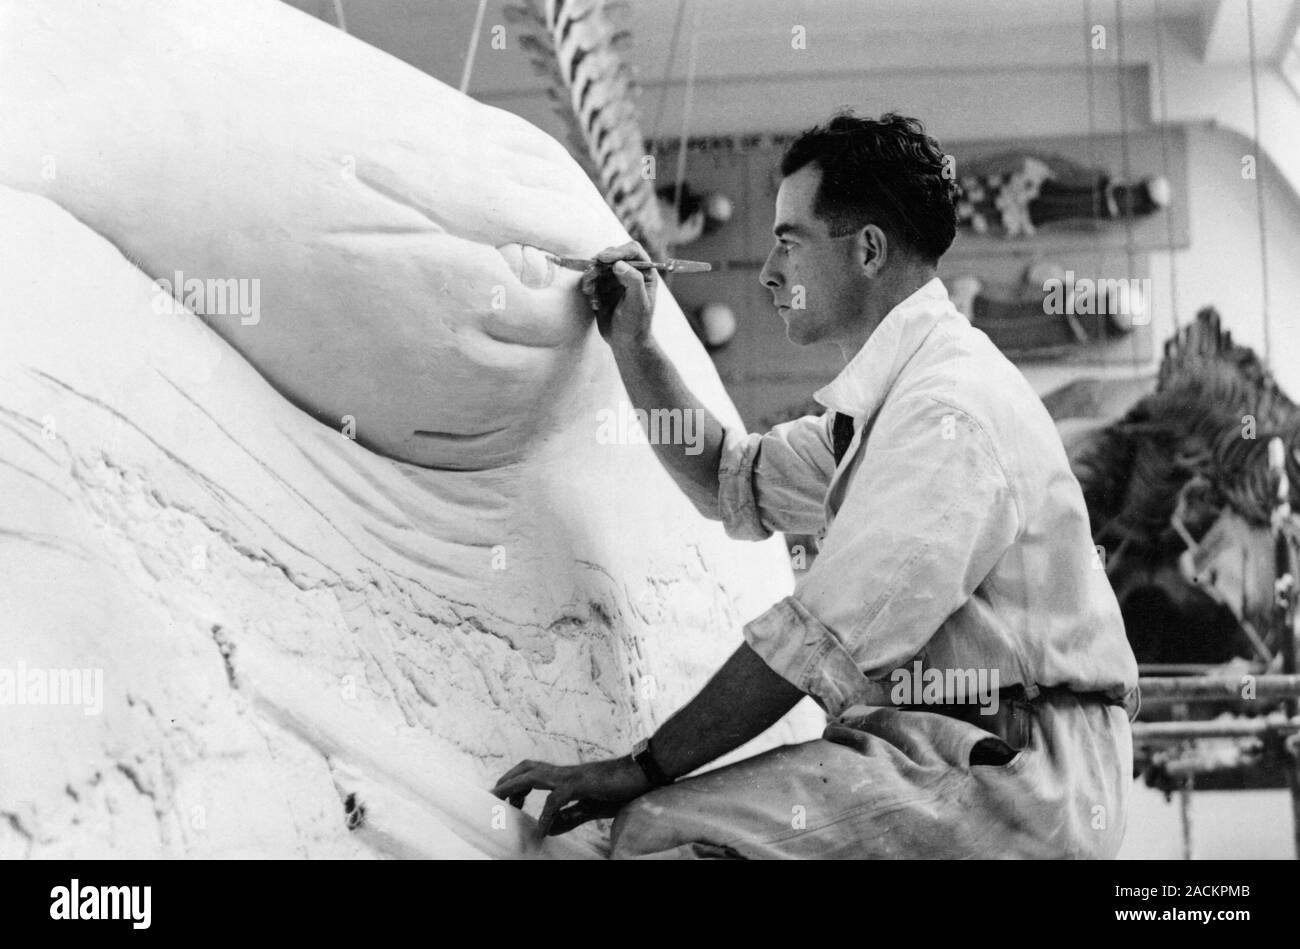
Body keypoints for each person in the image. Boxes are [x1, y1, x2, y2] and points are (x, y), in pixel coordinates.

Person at [492, 111, 1139, 859]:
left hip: (1023, 775)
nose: (769, 272)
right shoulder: (889, 406)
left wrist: (636, 767)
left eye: (789, 242)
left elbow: (815, 640)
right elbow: (730, 476)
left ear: (867, 250)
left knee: (656, 831)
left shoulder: (944, 411)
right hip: (965, 746)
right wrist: (635, 346)